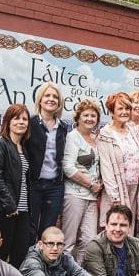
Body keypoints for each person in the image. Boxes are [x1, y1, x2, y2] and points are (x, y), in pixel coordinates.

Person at [0, 104, 34, 267]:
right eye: (17, 118)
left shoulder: (23, 148)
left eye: (25, 119)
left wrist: (21, 208)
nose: (21, 122)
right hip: (3, 209)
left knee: (20, 253)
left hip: (22, 210)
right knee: (0, 253)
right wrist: (10, 206)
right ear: (8, 121)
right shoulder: (0, 143)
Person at [97, 92, 139, 232]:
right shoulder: (105, 134)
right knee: (114, 227)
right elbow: (106, 168)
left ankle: (126, 254)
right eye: (120, 109)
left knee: (129, 228)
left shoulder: (133, 130)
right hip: (116, 191)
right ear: (112, 112)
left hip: (133, 189)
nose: (125, 112)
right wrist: (115, 197)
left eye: (127, 108)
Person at [61, 98, 104, 261]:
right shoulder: (73, 137)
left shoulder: (95, 139)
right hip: (74, 195)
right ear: (78, 117)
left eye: (93, 116)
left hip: (92, 198)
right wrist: (91, 184)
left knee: (89, 240)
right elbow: (68, 167)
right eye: (85, 115)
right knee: (68, 241)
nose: (89, 119)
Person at [26, 81, 67, 242]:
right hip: (34, 185)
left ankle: (43, 265)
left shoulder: (63, 127)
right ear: (40, 100)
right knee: (29, 229)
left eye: (55, 97)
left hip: (55, 187)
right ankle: (28, 264)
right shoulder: (31, 123)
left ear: (59, 102)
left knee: (48, 230)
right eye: (47, 95)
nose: (51, 99)